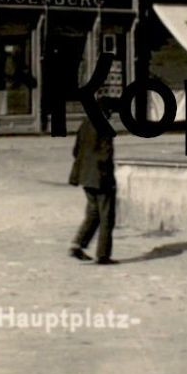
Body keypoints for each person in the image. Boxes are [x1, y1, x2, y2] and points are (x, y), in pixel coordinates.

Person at [69, 55, 119, 265]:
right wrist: (109, 179)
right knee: (107, 216)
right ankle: (103, 255)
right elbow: (106, 155)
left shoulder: (84, 124)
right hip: (100, 178)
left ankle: (77, 245)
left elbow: (75, 150)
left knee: (92, 213)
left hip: (85, 176)